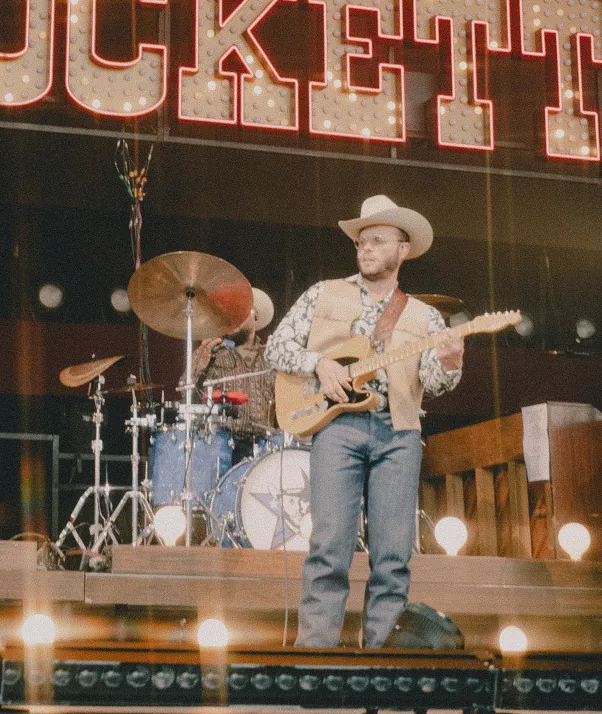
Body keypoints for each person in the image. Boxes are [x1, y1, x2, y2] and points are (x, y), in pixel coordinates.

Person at [264, 194, 464, 648]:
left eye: (377, 240)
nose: (366, 248)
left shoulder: (424, 315)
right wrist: (321, 364)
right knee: (329, 547)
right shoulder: (322, 293)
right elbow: (277, 348)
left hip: (400, 433)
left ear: (403, 249)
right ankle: (313, 659)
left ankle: (383, 659)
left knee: (393, 557)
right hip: (338, 428)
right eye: (361, 241)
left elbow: (432, 383)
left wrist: (451, 362)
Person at [190, 288, 276, 456]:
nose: (234, 318)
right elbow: (186, 393)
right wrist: (200, 361)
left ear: (255, 316)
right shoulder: (214, 353)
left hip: (264, 447)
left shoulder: (272, 357)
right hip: (222, 446)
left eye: (240, 312)